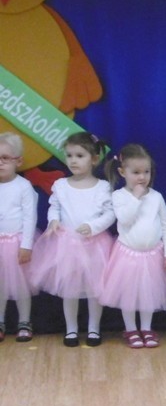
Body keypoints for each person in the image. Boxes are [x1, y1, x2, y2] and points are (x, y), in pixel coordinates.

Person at [29, 132, 115, 347]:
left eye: (79, 155)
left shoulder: (102, 187)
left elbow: (110, 214)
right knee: (69, 290)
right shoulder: (61, 185)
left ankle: (94, 329)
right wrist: (54, 221)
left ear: (94, 159)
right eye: (69, 155)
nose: (73, 160)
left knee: (96, 290)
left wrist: (94, 227)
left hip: (95, 246)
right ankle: (71, 330)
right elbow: (54, 207)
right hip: (66, 246)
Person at [99, 144, 166, 348]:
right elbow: (124, 219)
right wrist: (136, 197)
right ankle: (131, 329)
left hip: (153, 254)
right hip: (127, 255)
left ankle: (147, 328)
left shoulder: (157, 197)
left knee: (148, 294)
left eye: (146, 172)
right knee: (129, 295)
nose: (142, 177)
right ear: (122, 172)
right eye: (136, 172)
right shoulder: (119, 196)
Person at [0, 132, 37, 342]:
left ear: (18, 161)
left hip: (16, 244)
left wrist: (26, 245)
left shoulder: (23, 186)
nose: (0, 162)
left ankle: (24, 321)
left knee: (22, 285)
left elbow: (30, 218)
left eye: (5, 158)